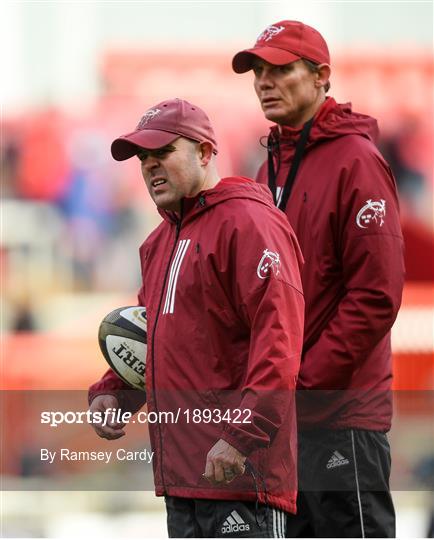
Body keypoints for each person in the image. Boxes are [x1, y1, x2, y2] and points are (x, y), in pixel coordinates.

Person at [88, 98, 305, 538]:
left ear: (205, 153)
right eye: (143, 159)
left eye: (163, 153)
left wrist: (240, 438)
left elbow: (278, 345)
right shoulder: (157, 242)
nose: (150, 167)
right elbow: (158, 338)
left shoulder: (250, 223)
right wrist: (113, 393)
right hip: (182, 478)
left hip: (241, 475)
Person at [232, 21, 405, 538]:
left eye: (280, 69)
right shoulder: (268, 168)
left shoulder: (357, 161)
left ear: (321, 76)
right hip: (288, 420)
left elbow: (376, 297)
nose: (265, 81)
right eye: (258, 71)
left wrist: (298, 386)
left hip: (341, 417)